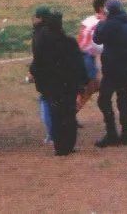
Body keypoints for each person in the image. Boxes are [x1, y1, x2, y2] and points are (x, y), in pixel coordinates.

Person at [30, 10, 88, 156]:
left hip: (52, 86)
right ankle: (69, 145)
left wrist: (37, 77)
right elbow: (79, 64)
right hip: (69, 85)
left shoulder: (43, 43)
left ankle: (59, 146)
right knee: (69, 114)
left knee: (56, 115)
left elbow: (37, 64)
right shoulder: (69, 42)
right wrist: (83, 82)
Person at [93, 0, 127, 147]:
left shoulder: (109, 24)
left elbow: (97, 38)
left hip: (113, 69)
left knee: (104, 99)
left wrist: (101, 22)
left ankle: (112, 133)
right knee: (124, 100)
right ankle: (125, 134)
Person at [77, 0, 107, 112]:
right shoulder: (102, 22)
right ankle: (70, 113)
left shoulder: (88, 20)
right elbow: (98, 46)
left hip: (80, 55)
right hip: (87, 58)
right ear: (101, 8)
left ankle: (72, 112)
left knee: (93, 86)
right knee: (91, 87)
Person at [29, 6, 54, 143]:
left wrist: (32, 71)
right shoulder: (54, 30)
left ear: (41, 18)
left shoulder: (39, 34)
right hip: (56, 72)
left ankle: (52, 135)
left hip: (45, 74)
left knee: (46, 102)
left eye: (37, 16)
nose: (35, 18)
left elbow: (39, 57)